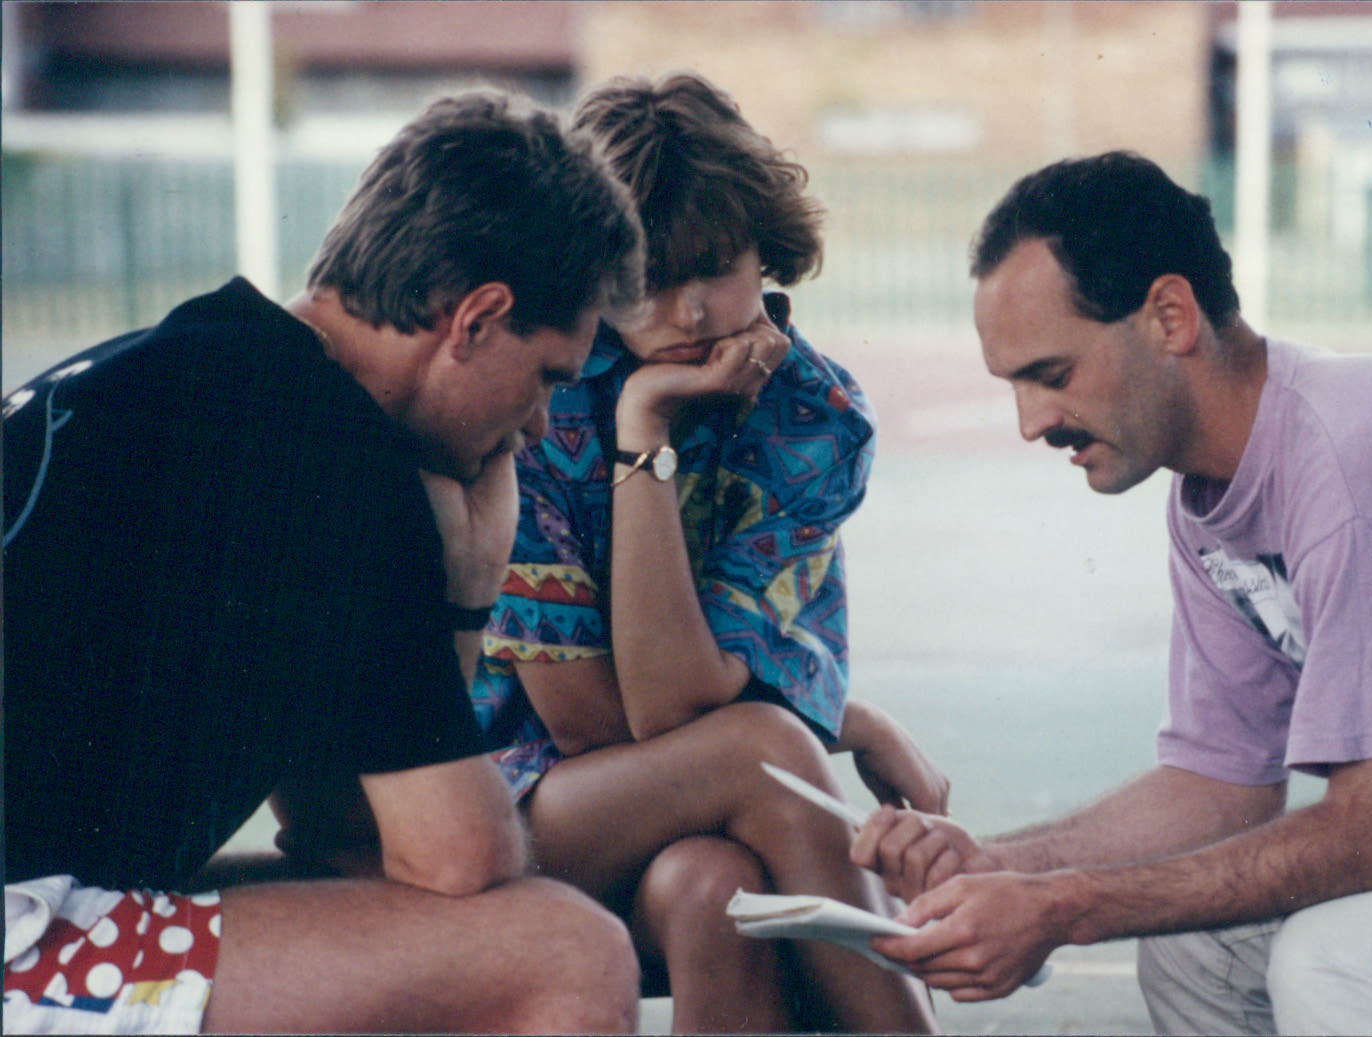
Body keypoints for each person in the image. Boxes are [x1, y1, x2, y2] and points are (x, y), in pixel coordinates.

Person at [3, 91, 646, 1035]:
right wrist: (473, 589)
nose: (542, 424)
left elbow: (340, 829)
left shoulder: (210, 369)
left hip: (40, 899)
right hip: (25, 927)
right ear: (476, 318)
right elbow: (459, 860)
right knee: (564, 951)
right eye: (549, 375)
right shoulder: (328, 451)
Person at [851, 151, 1372, 1035]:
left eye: (1052, 374)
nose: (1031, 423)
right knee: (1200, 943)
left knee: (1340, 964)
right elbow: (1221, 786)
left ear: (1170, 315)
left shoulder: (1355, 460)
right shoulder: (1209, 501)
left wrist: (1064, 906)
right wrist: (1000, 863)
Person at [469, 72, 942, 1034]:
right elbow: (604, 727)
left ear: (767, 244)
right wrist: (644, 428)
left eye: (717, 267)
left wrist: (816, 719)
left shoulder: (813, 417)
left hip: (691, 816)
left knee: (713, 886)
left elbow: (680, 714)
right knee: (767, 749)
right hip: (504, 809)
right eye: (646, 280)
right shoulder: (539, 402)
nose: (689, 312)